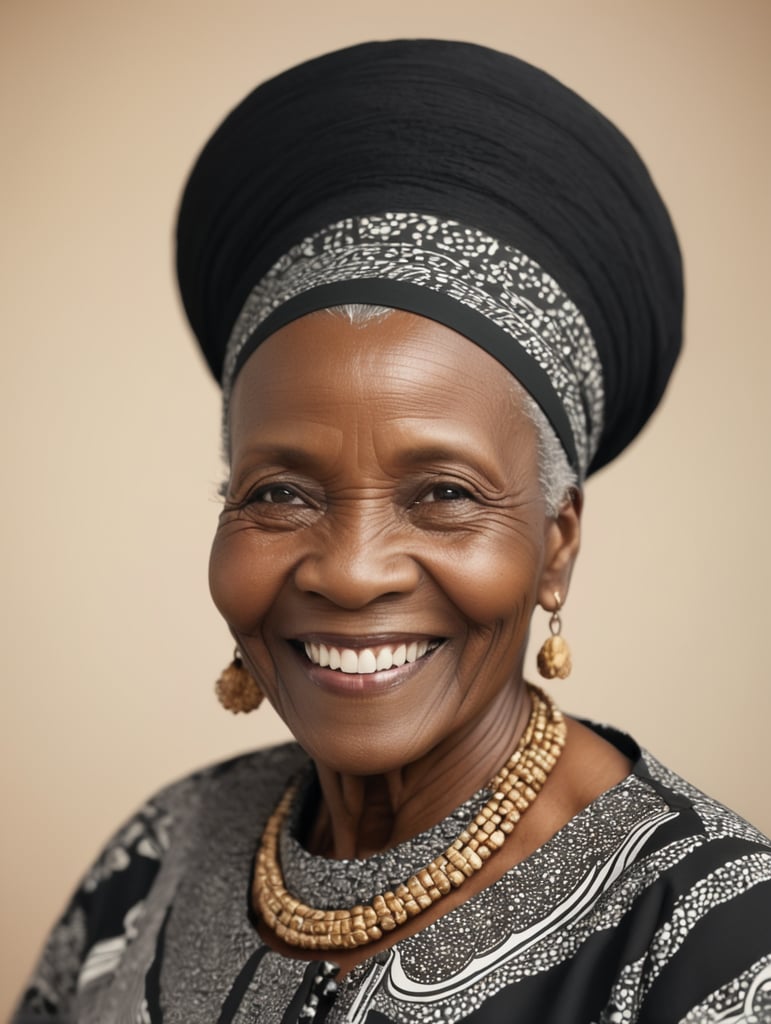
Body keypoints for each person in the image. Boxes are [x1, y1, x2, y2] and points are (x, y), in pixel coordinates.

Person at [12, 39, 771, 1024]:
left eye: (445, 493)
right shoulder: (163, 850)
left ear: (558, 541)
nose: (352, 570)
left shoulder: (711, 946)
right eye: (280, 492)